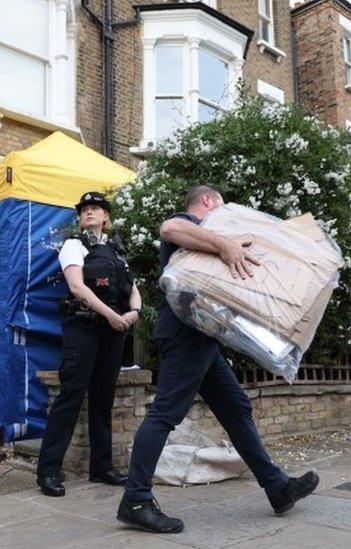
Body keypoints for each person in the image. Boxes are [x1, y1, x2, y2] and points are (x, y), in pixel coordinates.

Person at [117, 185, 319, 534]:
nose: (223, 214)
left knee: (236, 406)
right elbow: (169, 229)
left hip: (202, 338)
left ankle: (277, 487)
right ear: (207, 201)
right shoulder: (189, 224)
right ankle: (135, 500)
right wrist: (225, 243)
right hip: (184, 334)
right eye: (221, 205)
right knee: (166, 413)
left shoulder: (206, 236)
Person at [36, 192, 143, 497]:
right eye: (84, 210)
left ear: (106, 217)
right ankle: (48, 471)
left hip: (114, 330)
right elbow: (76, 286)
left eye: (95, 209)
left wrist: (133, 313)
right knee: (71, 396)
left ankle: (102, 466)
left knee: (102, 398)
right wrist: (112, 315)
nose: (89, 213)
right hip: (83, 327)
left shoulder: (117, 250)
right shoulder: (73, 245)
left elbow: (133, 288)